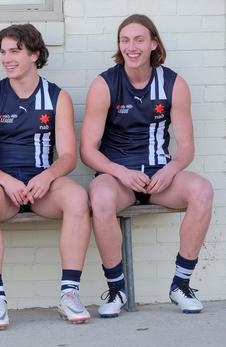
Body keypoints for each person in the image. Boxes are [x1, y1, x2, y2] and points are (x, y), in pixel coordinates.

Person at [81, 14, 214, 317]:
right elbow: (87, 150)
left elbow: (187, 147)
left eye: (139, 39)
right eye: (125, 40)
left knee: (202, 191)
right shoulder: (105, 84)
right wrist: (120, 173)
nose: (132, 46)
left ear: (154, 43)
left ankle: (181, 284)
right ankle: (116, 290)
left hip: (159, 176)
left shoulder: (173, 83)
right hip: (119, 177)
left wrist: (170, 170)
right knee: (99, 197)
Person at [0, 24, 91, 329]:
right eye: (3, 52)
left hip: (41, 186)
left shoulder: (56, 97)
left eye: (14, 51)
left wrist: (46, 177)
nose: (6, 58)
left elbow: (67, 156)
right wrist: (7, 181)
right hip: (4, 188)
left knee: (77, 197)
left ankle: (69, 294)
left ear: (35, 54)